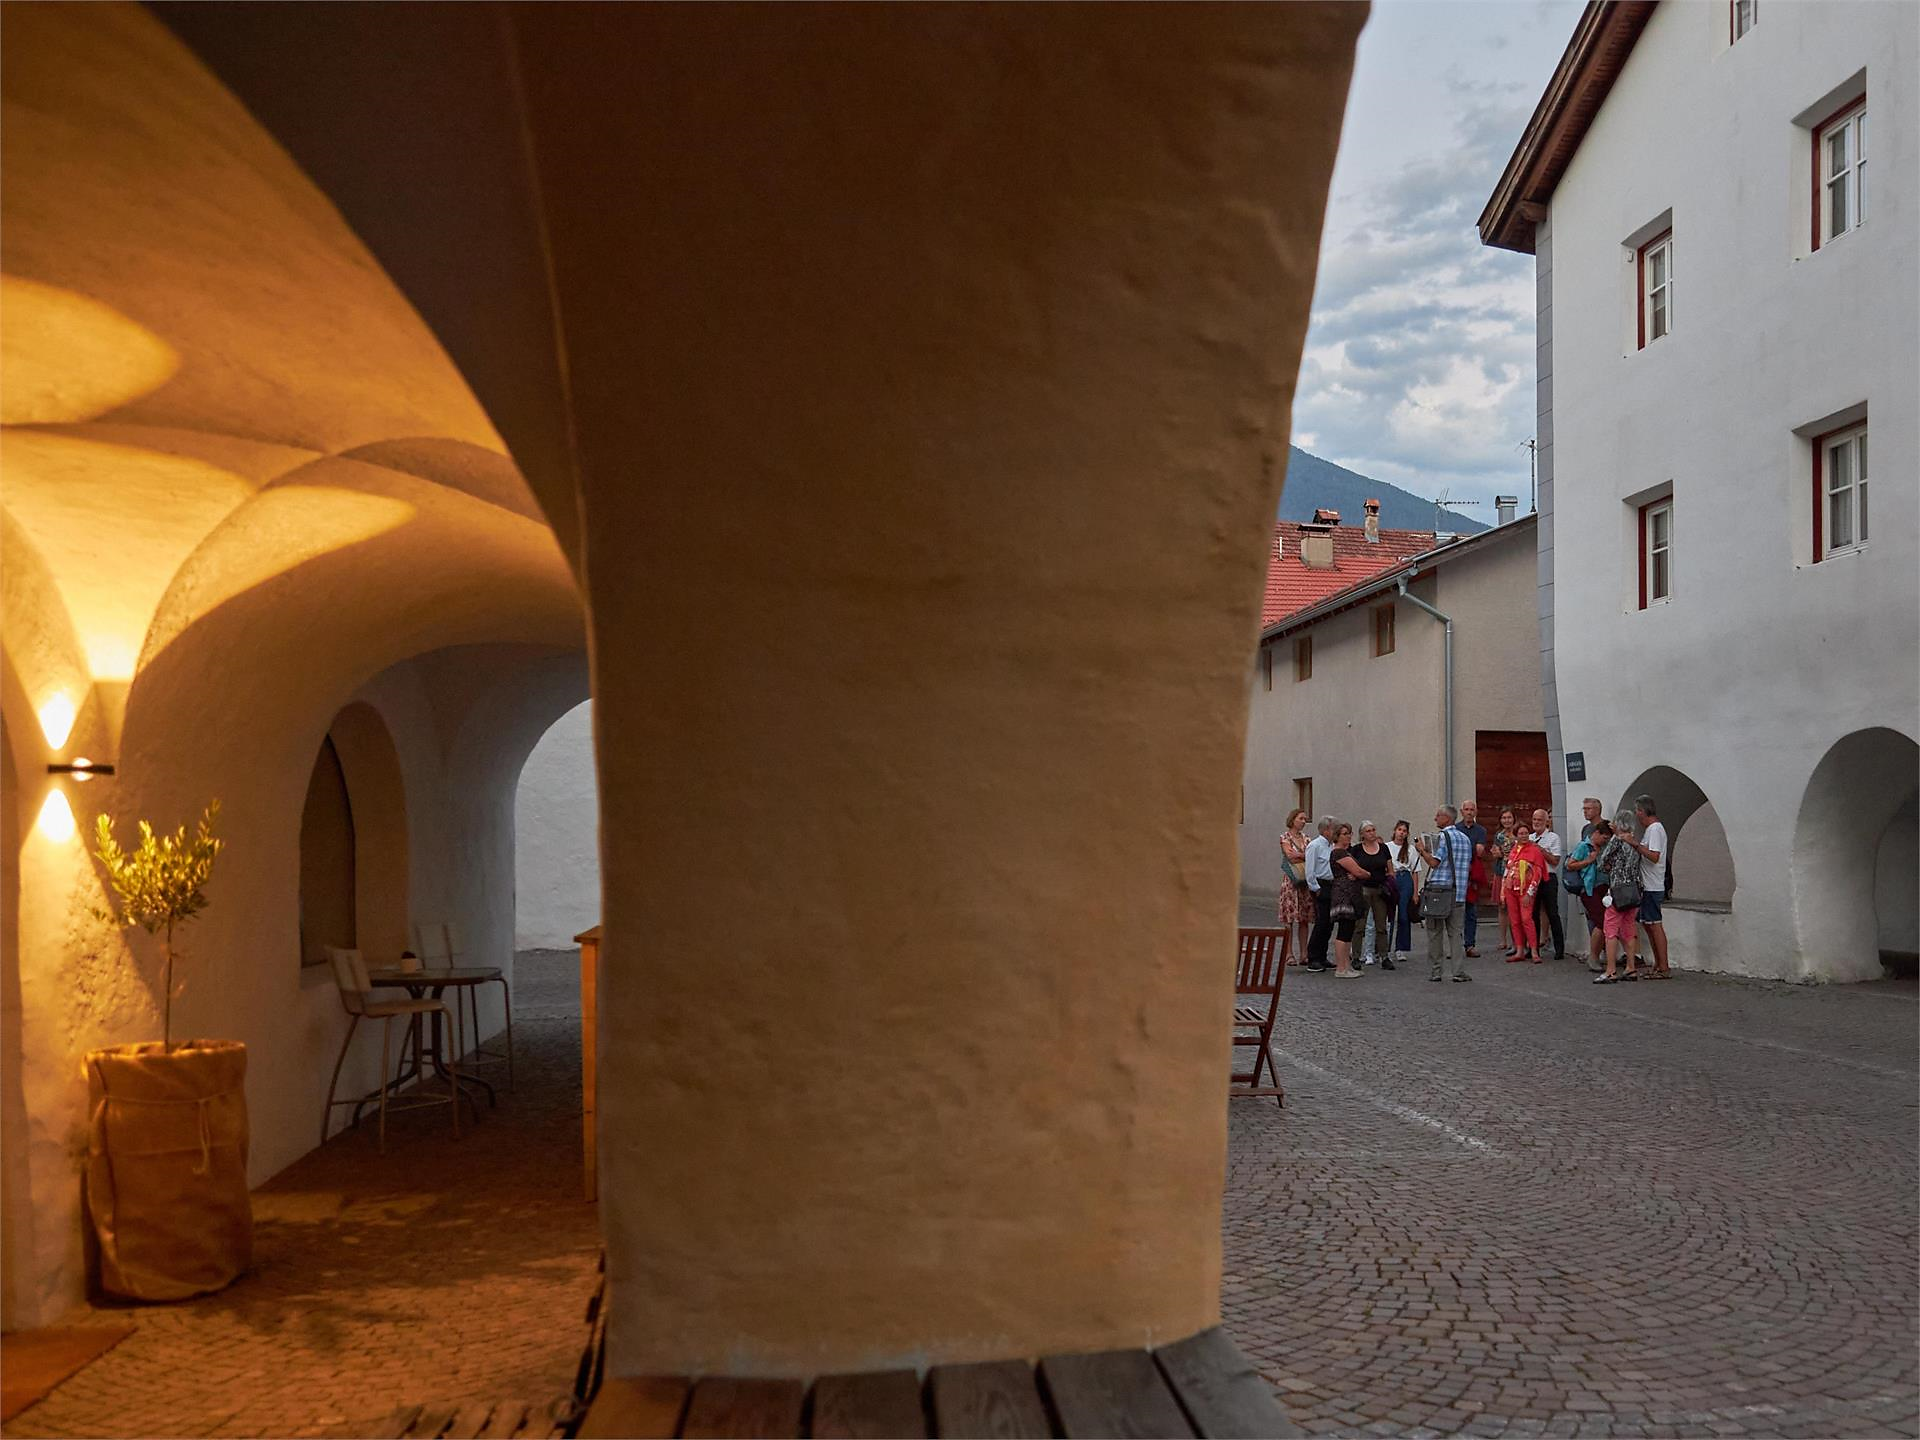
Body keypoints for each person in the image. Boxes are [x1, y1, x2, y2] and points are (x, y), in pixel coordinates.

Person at [1415, 806, 1473, 983]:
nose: (1435, 819)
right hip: (1459, 892)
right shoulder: (1465, 838)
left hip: (1439, 891)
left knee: (1434, 932)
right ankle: (1458, 971)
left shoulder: (1442, 838)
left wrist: (1422, 850)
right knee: (1456, 933)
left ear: (1446, 818)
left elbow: (1434, 863)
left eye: (1438, 816)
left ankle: (1436, 971)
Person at [1593, 813, 1644, 983]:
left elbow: (1602, 863)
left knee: (1611, 930)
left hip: (1618, 890)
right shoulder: (1636, 841)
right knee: (1628, 929)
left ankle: (1611, 970)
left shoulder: (1617, 840)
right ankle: (1631, 968)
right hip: (1634, 890)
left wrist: (1610, 865)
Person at [1628, 794, 1671, 979]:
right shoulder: (1652, 830)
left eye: (1637, 811)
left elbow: (1654, 856)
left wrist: (1635, 845)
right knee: (1648, 925)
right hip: (1647, 885)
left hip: (1653, 885)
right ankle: (1658, 964)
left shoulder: (1654, 829)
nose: (1637, 816)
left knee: (1655, 925)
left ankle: (1664, 966)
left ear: (1642, 811)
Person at [1565, 819, 1610, 972]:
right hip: (1590, 889)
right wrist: (1588, 861)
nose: (1605, 841)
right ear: (1596, 833)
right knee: (1601, 922)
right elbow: (1570, 865)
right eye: (1604, 838)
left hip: (1604, 889)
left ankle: (1599, 955)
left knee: (1603, 921)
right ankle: (1594, 957)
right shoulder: (1584, 847)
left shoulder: (1604, 848)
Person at [1352, 822, 1397, 971]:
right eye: (1368, 831)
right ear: (1362, 834)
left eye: (1373, 830)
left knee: (1381, 925)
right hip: (1363, 889)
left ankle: (1384, 956)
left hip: (1379, 889)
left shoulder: (1383, 848)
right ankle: (1356, 956)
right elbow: (1352, 868)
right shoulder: (1357, 850)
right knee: (1360, 925)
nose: (1372, 833)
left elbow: (1390, 869)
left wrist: (1390, 881)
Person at [1325, 823, 1368, 978]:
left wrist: (1361, 873)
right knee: (1343, 931)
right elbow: (1358, 871)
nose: (1348, 836)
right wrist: (1364, 874)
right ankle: (1341, 967)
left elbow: (1358, 871)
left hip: (1351, 894)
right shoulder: (1338, 853)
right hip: (1344, 895)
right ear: (1337, 836)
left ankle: (1347, 966)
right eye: (1344, 833)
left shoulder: (1346, 852)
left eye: (1349, 833)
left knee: (1348, 930)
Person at [1502, 821, 1548, 962]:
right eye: (1520, 833)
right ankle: (1520, 950)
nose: (1524, 836)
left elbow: (1538, 873)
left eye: (1526, 833)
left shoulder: (1534, 850)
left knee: (1527, 919)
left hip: (1525, 890)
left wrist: (1530, 893)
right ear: (1516, 836)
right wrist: (1502, 892)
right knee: (1515, 921)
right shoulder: (1514, 850)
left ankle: (1534, 951)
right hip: (1511, 889)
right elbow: (1507, 871)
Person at [1276, 809, 1312, 965]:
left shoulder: (1307, 839)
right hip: (1291, 880)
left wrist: (1299, 855)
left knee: (1304, 918)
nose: (1304, 821)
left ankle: (1304, 953)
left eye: (1305, 819)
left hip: (1304, 881)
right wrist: (1303, 855)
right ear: (1293, 820)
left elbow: (1310, 856)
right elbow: (1289, 856)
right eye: (1301, 818)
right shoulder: (1285, 837)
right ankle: (1288, 953)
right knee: (1289, 919)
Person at [1386, 819, 1424, 966]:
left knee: (1403, 915)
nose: (1401, 833)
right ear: (1395, 830)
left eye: (1404, 831)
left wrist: (1415, 892)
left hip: (1405, 878)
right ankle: (1385, 948)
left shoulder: (1410, 849)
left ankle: (1400, 948)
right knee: (1389, 915)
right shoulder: (1387, 847)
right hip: (1392, 877)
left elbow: (1415, 871)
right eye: (1399, 830)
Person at [1531, 807, 1567, 960]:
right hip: (1532, 879)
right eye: (1534, 819)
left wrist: (1541, 850)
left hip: (1548, 878)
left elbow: (1556, 861)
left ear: (1546, 821)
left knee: (1552, 913)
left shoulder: (1553, 838)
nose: (1536, 822)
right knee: (1532, 915)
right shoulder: (1530, 837)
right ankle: (1533, 949)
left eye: (1540, 820)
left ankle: (1559, 949)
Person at [1303, 816, 1337, 972]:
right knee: (1321, 922)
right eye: (1333, 829)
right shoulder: (1314, 846)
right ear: (1326, 830)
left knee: (1329, 924)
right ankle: (1313, 957)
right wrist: (1315, 888)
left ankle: (1322, 956)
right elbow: (1310, 870)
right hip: (1320, 885)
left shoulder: (1332, 846)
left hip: (1332, 885)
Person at [1457, 800, 1489, 957]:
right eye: (1466, 809)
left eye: (1472, 809)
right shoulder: (1455, 829)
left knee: (1471, 912)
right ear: (1461, 812)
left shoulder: (1481, 831)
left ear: (1475, 812)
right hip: (1457, 876)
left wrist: (1473, 850)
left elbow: (1480, 852)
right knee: (1455, 913)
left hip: (1472, 877)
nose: (1469, 812)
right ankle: (1456, 945)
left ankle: (1470, 944)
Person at [1489, 808, 1516, 953]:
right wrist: (1497, 853)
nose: (1507, 820)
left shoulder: (1518, 835)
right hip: (1501, 872)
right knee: (1502, 906)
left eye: (1509, 817)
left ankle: (1515, 940)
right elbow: (1494, 852)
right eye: (1504, 818)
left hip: (1515, 873)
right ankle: (1503, 939)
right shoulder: (1498, 836)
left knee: (1513, 907)